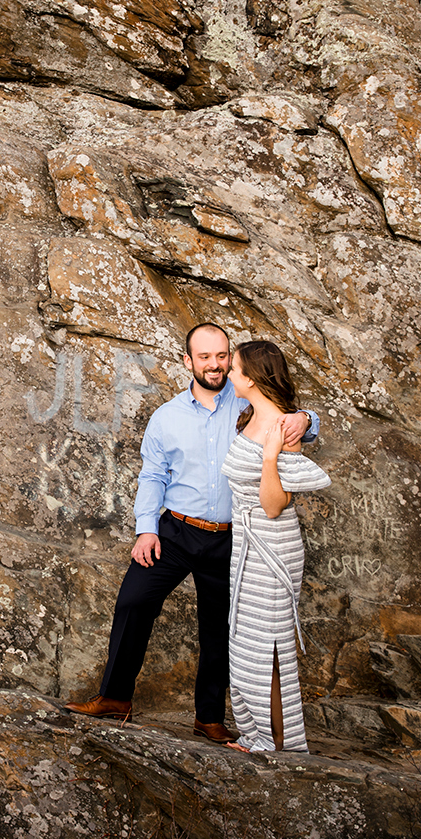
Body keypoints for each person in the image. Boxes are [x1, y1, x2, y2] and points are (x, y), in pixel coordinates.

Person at [64, 323, 319, 744]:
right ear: (188, 361)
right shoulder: (166, 417)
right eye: (204, 357)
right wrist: (146, 530)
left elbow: (293, 418)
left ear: (231, 360)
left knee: (220, 628)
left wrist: (305, 418)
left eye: (222, 356)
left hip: (234, 537)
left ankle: (209, 717)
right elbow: (152, 476)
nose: (215, 364)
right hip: (177, 532)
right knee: (133, 601)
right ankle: (115, 697)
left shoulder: (246, 402)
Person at [222, 339, 331, 755]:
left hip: (271, 545)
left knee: (269, 646)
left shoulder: (283, 430)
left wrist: (270, 458)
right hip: (246, 545)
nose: (229, 374)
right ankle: (255, 734)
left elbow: (273, 505)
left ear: (251, 378)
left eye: (234, 369)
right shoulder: (251, 415)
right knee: (246, 643)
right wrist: (307, 416)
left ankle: (277, 744)